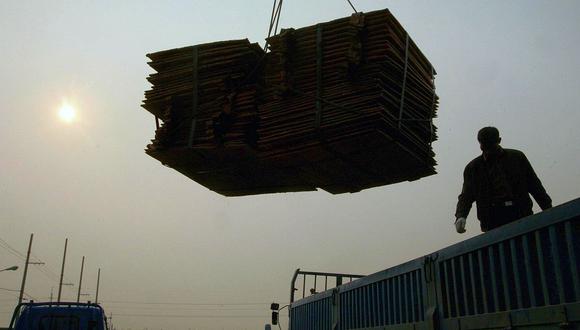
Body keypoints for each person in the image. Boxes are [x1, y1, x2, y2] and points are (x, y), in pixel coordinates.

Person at [454, 127, 552, 233]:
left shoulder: (517, 158)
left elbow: (534, 185)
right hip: (492, 221)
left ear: (499, 141)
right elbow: (466, 196)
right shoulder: (473, 168)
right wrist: (461, 216)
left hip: (521, 213)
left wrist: (548, 209)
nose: (486, 149)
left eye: (489, 145)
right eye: (484, 145)